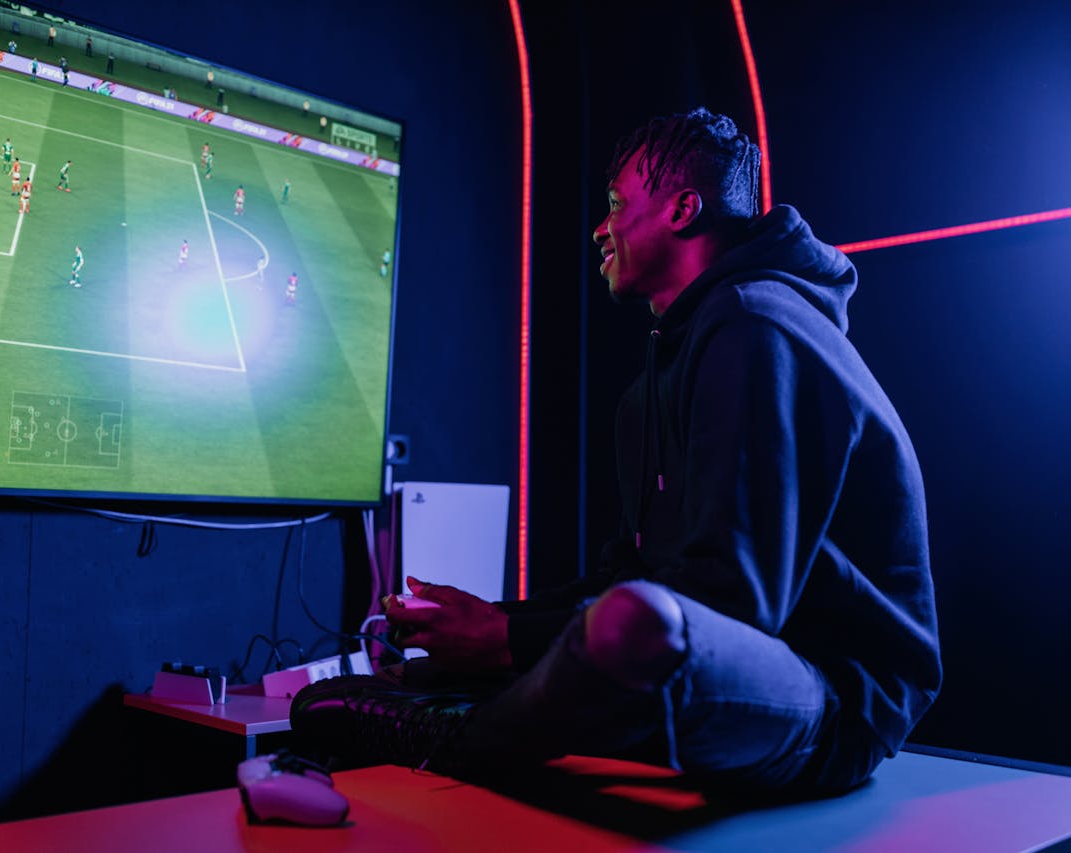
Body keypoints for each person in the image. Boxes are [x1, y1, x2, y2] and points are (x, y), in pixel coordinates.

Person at [291, 107, 942, 799]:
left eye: (616, 205)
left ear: (683, 208)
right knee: (594, 624)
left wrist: (508, 647)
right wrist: (492, 623)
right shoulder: (657, 381)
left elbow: (731, 604)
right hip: (736, 669)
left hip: (834, 704)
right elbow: (625, 574)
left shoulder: (756, 324)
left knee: (637, 626)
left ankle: (459, 742)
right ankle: (454, 708)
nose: (600, 228)